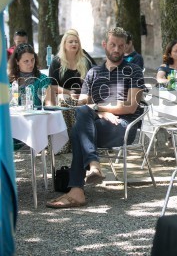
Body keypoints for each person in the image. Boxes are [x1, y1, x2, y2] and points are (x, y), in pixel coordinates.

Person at [46, 27, 145, 209]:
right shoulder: (93, 73)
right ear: (105, 45)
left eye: (121, 46)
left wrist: (98, 109)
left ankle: (79, 186)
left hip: (123, 126)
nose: (116, 49)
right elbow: (83, 103)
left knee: (79, 130)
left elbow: (130, 106)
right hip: (96, 124)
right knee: (80, 127)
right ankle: (91, 167)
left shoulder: (134, 71)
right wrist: (97, 111)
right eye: (113, 44)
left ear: (125, 47)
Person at [49, 29, 93, 100]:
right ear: (64, 44)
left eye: (76, 42)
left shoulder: (85, 61)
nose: (74, 44)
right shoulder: (56, 62)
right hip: (63, 99)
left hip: (83, 99)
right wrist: (68, 92)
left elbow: (91, 83)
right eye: (70, 42)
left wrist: (83, 96)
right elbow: (52, 86)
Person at [8, 43, 54, 107]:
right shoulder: (8, 81)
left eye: (32, 60)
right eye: (26, 61)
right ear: (17, 62)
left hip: (37, 116)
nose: (31, 64)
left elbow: (49, 104)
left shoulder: (43, 80)